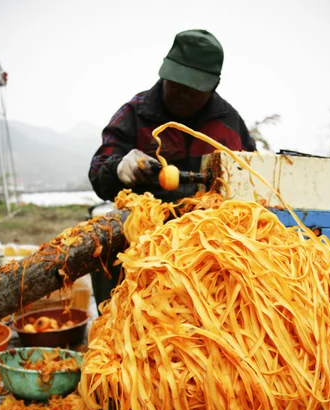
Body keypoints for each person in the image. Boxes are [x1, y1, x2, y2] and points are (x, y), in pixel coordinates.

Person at [88, 29, 256, 306]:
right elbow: (98, 174)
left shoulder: (228, 124)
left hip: (209, 250)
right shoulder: (135, 114)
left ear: (213, 85)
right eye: (176, 82)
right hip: (140, 246)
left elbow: (253, 184)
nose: (182, 93)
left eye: (194, 88)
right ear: (164, 73)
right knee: (104, 249)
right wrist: (118, 168)